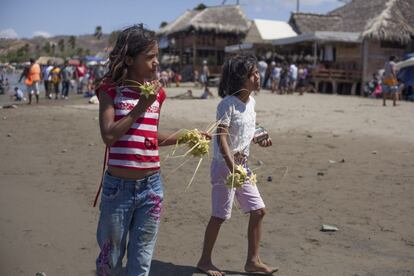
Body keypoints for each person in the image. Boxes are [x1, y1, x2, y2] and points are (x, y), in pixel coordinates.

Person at [95, 24, 210, 276]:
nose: (156, 63)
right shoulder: (110, 91)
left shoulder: (158, 96)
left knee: (142, 257)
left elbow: (150, 136)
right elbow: (109, 135)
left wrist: (188, 136)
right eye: (149, 57)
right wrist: (140, 106)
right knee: (110, 258)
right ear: (128, 59)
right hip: (118, 191)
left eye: (157, 56)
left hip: (152, 188)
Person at [197, 54, 277, 276]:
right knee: (220, 215)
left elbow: (248, 127)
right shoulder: (226, 105)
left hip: (243, 167)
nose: (258, 77)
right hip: (225, 167)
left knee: (259, 211)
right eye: (252, 74)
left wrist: (260, 136)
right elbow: (221, 137)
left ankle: (253, 261)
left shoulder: (251, 102)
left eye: (258, 73)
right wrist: (231, 166)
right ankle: (205, 261)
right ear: (239, 78)